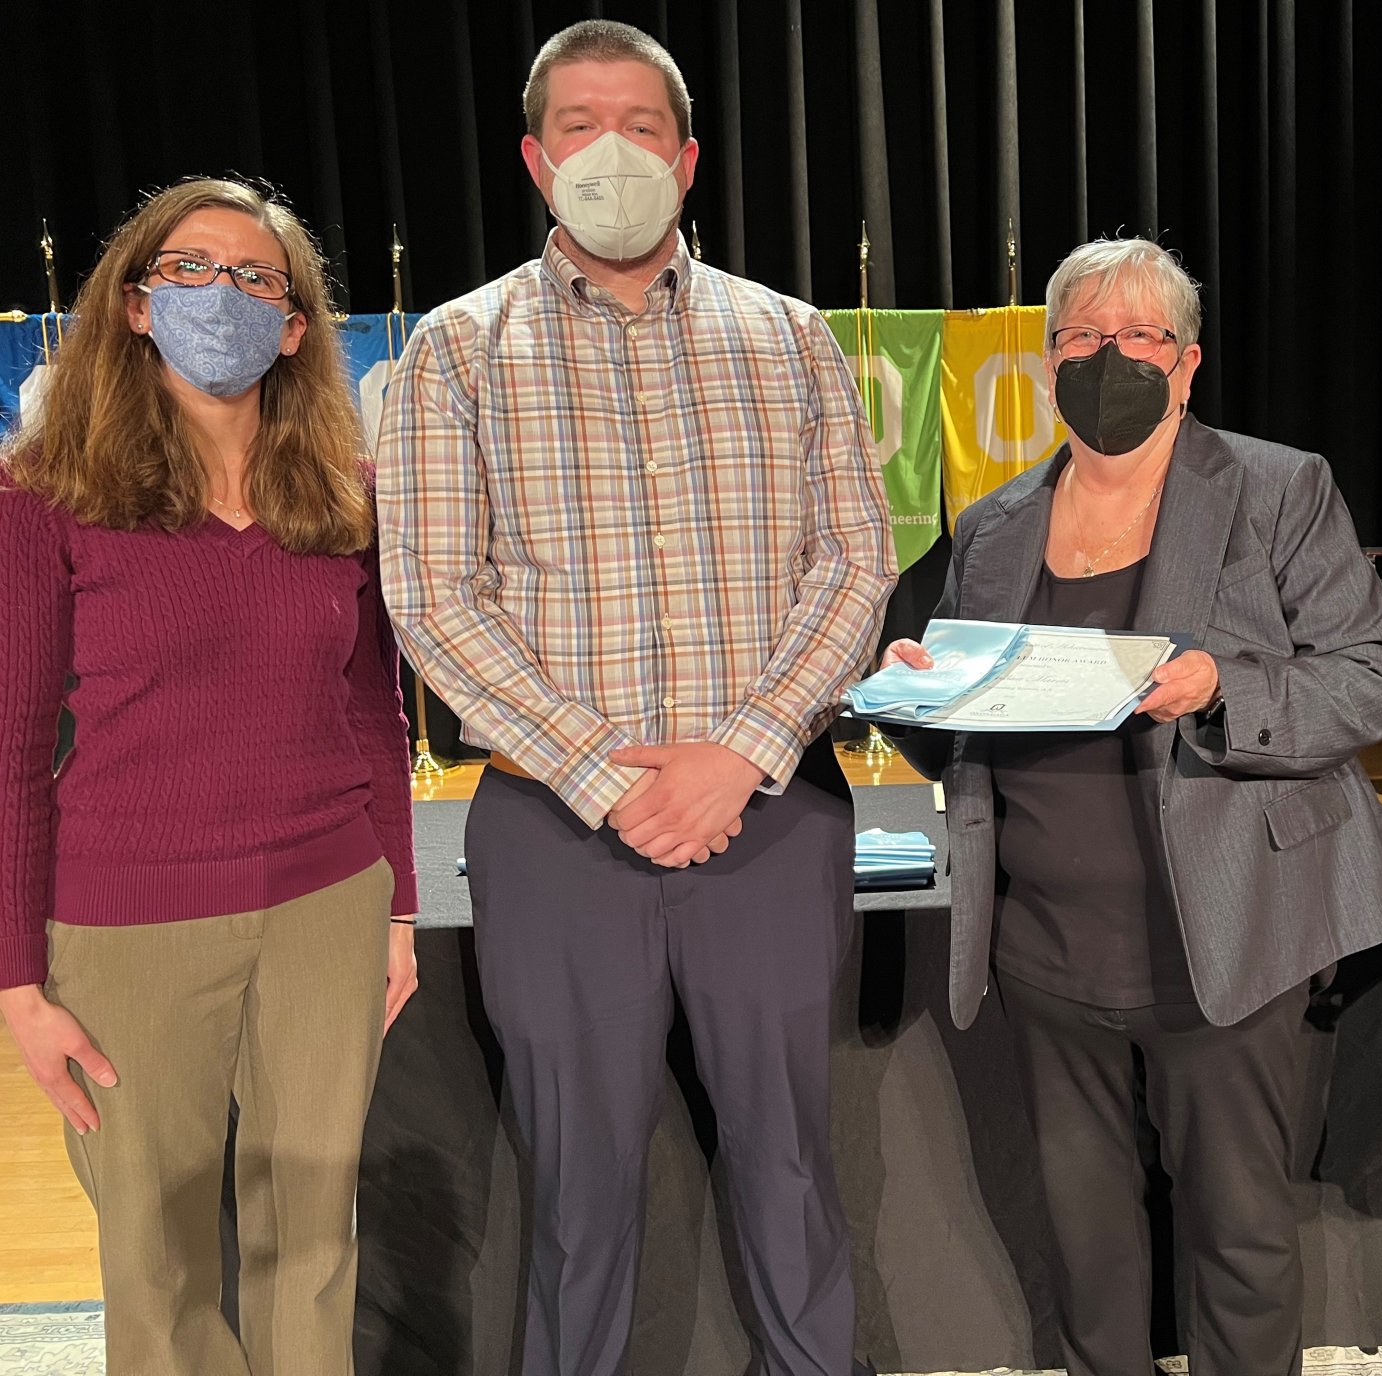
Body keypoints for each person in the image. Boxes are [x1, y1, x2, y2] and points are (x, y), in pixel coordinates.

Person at [374, 20, 895, 1376]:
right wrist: (609, 774)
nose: (614, 150)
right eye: (582, 124)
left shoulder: (790, 338)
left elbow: (855, 567)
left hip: (768, 821)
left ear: (689, 155)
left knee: (790, 1170)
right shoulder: (456, 349)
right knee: (578, 1191)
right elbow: (433, 595)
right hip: (554, 831)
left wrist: (740, 754)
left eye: (642, 126)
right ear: (540, 160)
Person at [878, 237, 1382, 1376]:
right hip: (1045, 946)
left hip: (1221, 937)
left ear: (1188, 360)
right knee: (1086, 1244)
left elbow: (1366, 676)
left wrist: (1228, 687)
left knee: (1240, 1237)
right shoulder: (996, 522)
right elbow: (966, 722)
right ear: (1048, 358)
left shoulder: (1278, 487)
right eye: (1079, 336)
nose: (1106, 355)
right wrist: (920, 691)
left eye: (1138, 336)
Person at [0, 178, 420, 1375]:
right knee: (155, 1255)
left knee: (312, 1240)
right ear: (135, 302)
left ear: (296, 327)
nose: (219, 295)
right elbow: (12, 748)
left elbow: (371, 709)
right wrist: (17, 984)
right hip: (128, 921)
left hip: (326, 905)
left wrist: (396, 904)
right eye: (188, 269)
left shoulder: (342, 494)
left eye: (254, 278)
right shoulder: (44, 500)